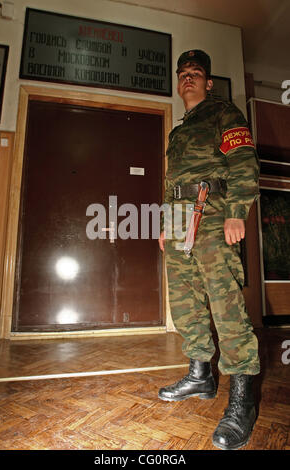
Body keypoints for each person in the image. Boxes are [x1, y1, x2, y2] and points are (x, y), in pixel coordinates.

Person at [158, 49, 260, 450]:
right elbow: (172, 181)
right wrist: (164, 223)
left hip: (215, 215)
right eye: (183, 73)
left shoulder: (224, 112)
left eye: (195, 73)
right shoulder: (178, 130)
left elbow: (244, 162)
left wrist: (237, 212)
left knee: (225, 304)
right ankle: (200, 374)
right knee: (185, 302)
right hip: (179, 221)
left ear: (208, 82)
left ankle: (243, 399)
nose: (188, 79)